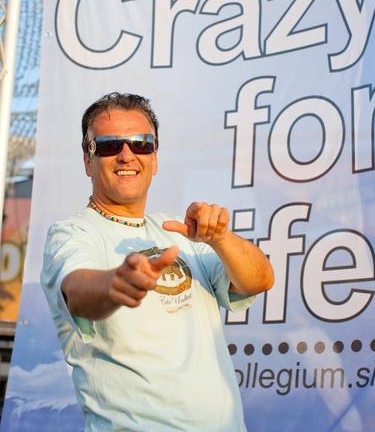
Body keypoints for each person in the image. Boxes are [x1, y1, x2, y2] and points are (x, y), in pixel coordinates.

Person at [41, 92, 274, 431]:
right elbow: (77, 291)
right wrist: (116, 284)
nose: (126, 155)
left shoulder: (179, 231)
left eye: (141, 144)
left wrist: (221, 238)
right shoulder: (72, 233)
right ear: (88, 161)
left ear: (154, 158)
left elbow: (260, 280)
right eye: (108, 146)